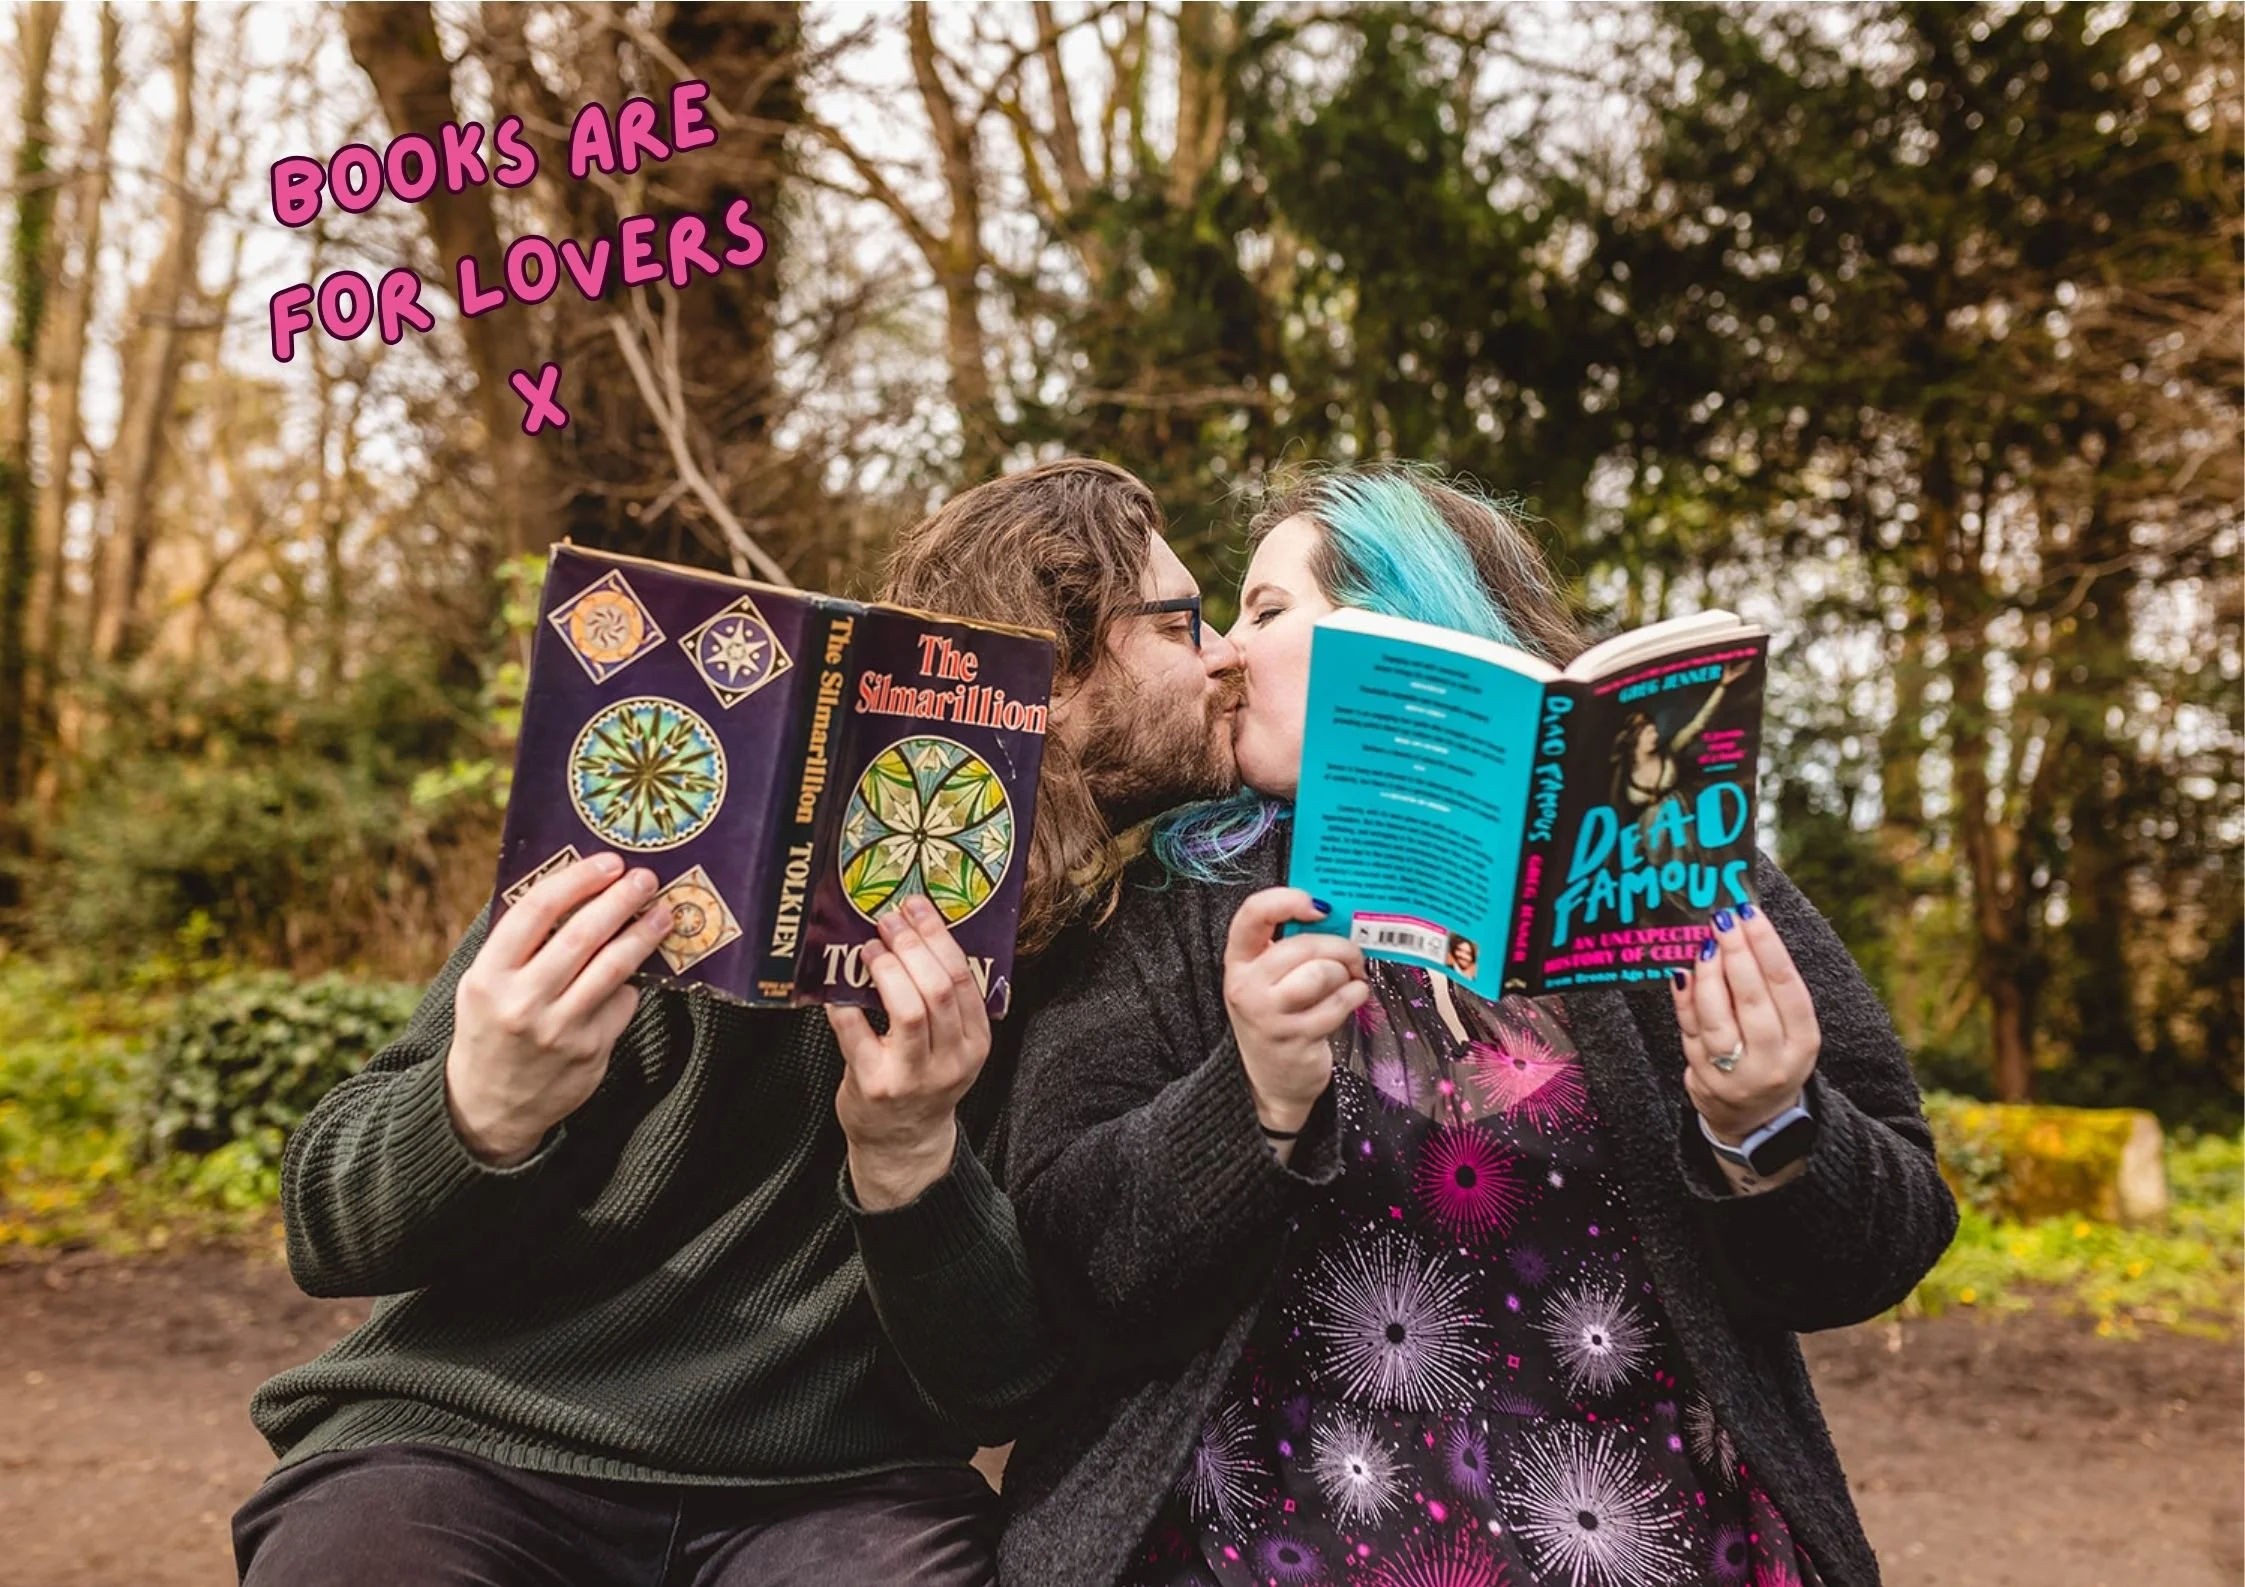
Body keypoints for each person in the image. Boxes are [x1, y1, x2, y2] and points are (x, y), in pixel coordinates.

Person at [233, 459, 1246, 1587]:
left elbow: (999, 1385)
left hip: (837, 1500)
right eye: (1181, 624)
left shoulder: (1127, 960)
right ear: (1046, 672)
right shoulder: (667, 863)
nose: (1225, 658)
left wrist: (908, 1154)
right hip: (471, 1451)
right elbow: (327, 1229)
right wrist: (478, 1107)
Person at [998, 466, 1958, 1587]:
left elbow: (1885, 1242)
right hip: (1263, 1542)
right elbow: (1068, 1269)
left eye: (1265, 614)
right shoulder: (1166, 907)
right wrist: (1248, 1098)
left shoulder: (1668, 867)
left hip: (1662, 1539)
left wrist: (1769, 1129)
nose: (1223, 654)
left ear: (1399, 633)